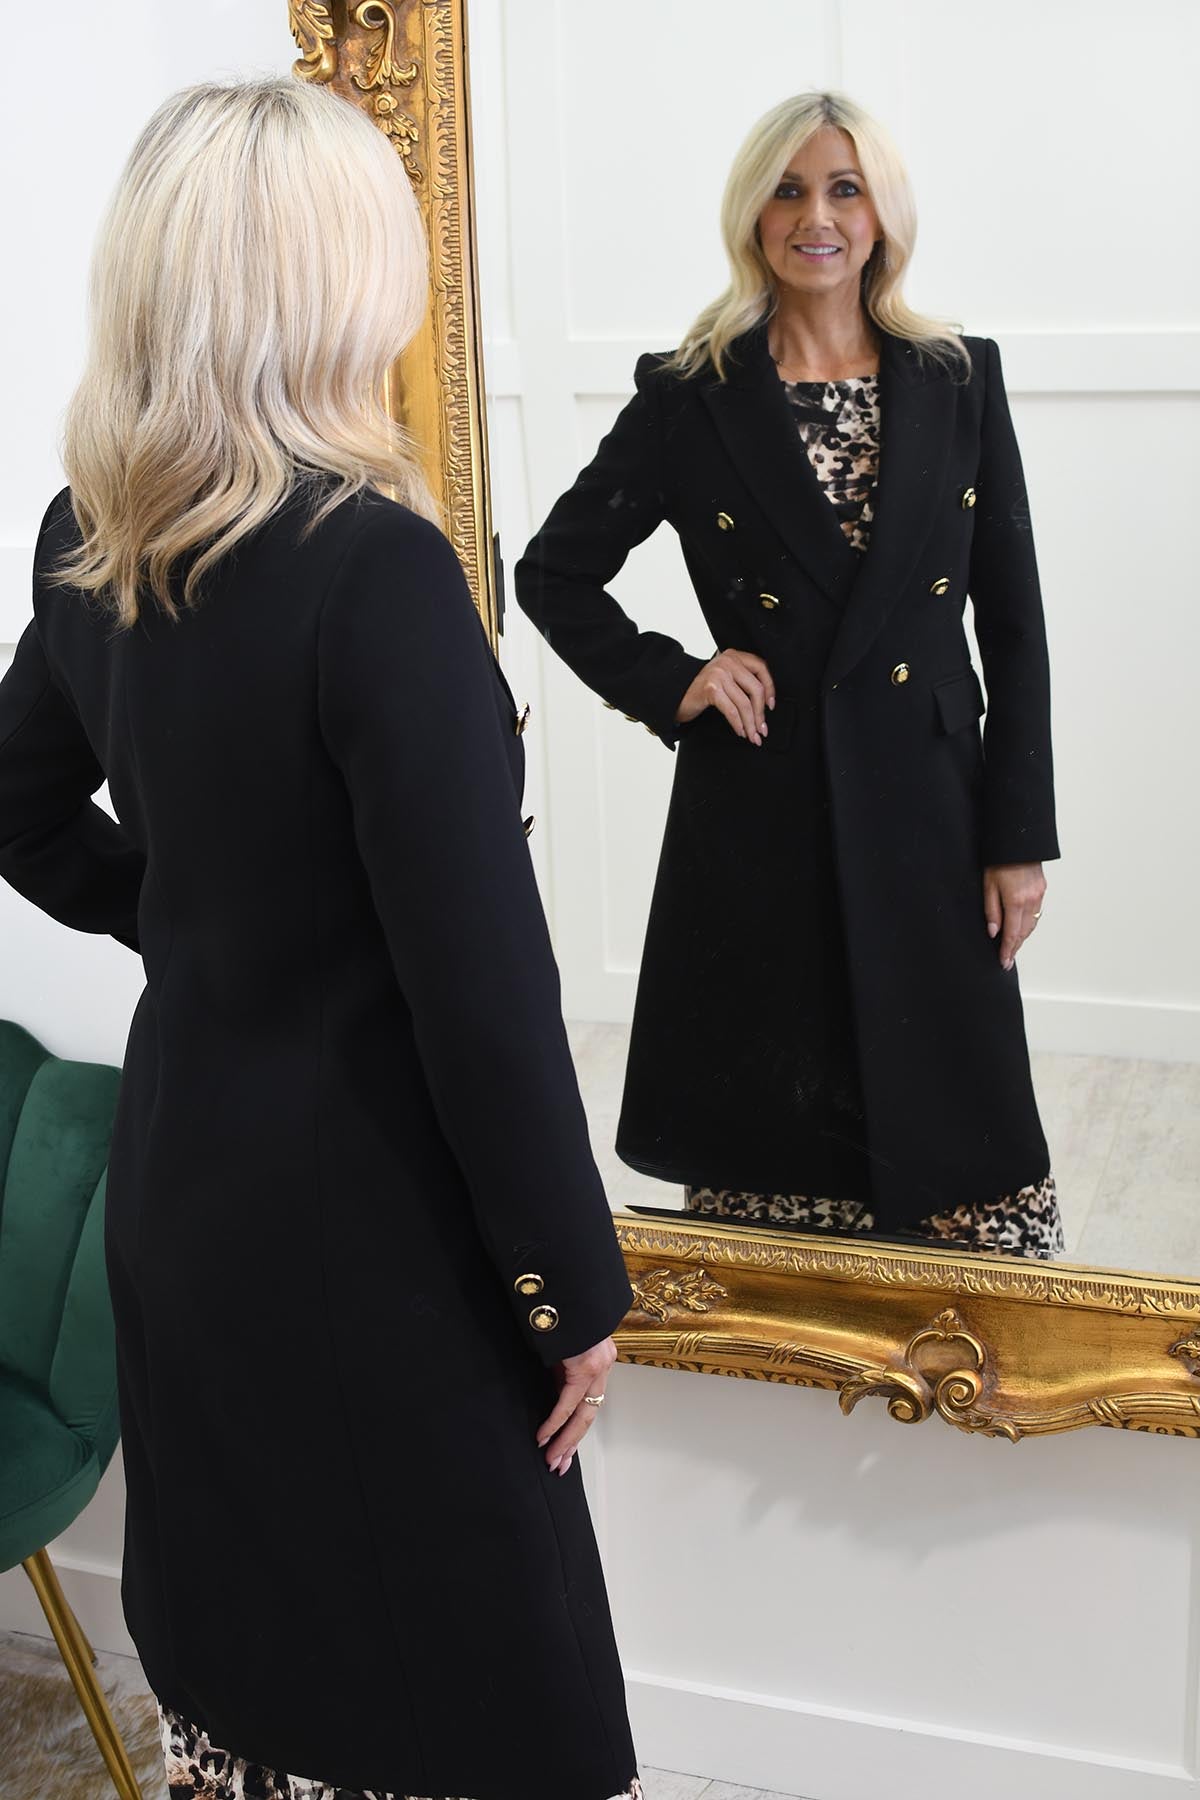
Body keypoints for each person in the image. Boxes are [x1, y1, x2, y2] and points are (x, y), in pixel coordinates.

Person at [0, 79, 641, 1800]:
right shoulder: (375, 572)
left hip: (187, 1194)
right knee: (473, 1691)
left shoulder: (91, 534)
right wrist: (571, 1287)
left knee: (253, 1661)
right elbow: (482, 1000)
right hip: (377, 1230)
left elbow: (18, 812)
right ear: (335, 280)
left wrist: (202, 923)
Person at [516, 91, 1062, 1261]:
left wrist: (1017, 837)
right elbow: (554, 573)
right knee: (772, 1164)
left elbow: (1015, 625)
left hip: (930, 807)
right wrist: (677, 679)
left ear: (882, 215)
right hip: (761, 804)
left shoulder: (959, 377)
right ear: (753, 214)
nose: (817, 216)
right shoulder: (690, 392)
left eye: (844, 189)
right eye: (789, 190)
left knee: (966, 1165)